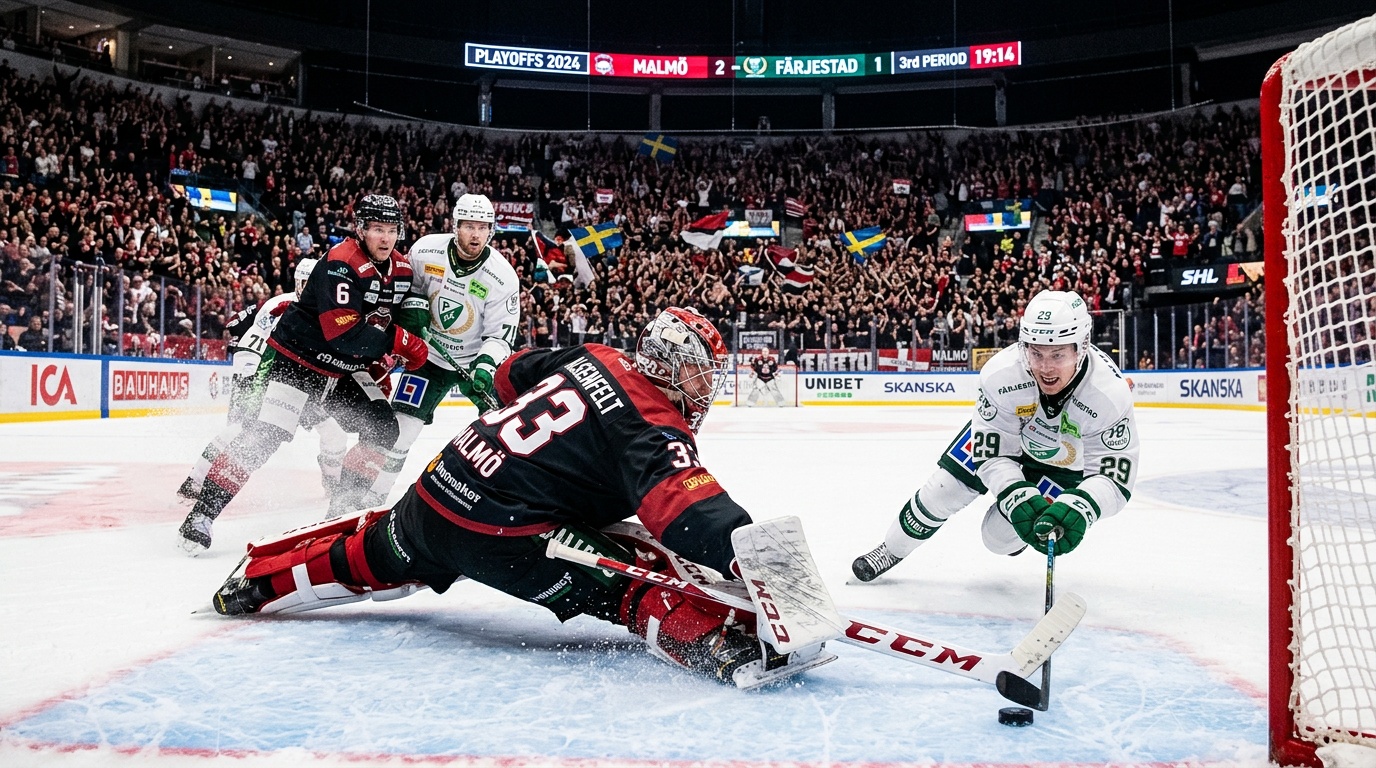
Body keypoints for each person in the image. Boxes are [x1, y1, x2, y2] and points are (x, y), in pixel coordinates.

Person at [209, 307, 822, 688]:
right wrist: (752, 557)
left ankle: (260, 582)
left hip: (439, 484)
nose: (704, 386)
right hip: (505, 532)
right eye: (700, 371)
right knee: (637, 576)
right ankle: (716, 647)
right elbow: (686, 511)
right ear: (671, 366)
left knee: (372, 555)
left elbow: (506, 376)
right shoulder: (651, 418)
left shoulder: (596, 355)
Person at [177, 195, 429, 554]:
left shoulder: (402, 271)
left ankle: (340, 513)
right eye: (376, 229)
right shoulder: (341, 262)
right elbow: (341, 331)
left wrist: (410, 334)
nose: (385, 238)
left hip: (344, 369)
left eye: (391, 230)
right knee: (263, 436)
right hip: (299, 362)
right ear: (360, 230)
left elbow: (403, 311)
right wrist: (399, 341)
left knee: (383, 428)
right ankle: (202, 513)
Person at [851, 290, 1139, 581]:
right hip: (1008, 438)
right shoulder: (1001, 374)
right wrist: (1013, 493)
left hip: (1063, 465)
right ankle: (890, 549)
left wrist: (1082, 506)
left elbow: (1114, 477)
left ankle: (1015, 535)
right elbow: (993, 453)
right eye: (1036, 352)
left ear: (1082, 346)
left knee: (997, 539)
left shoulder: (1109, 394)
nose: (1045, 368)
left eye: (1058, 354)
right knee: (942, 490)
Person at [329, 193, 521, 516]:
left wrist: (486, 367)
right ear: (455, 225)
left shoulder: (503, 277)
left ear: (492, 231)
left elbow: (500, 336)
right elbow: (406, 290)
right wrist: (411, 313)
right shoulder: (426, 250)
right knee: (399, 432)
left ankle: (507, 505)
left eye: (483, 227)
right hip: (427, 359)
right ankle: (368, 498)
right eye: (469, 226)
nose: (476, 235)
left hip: (475, 364)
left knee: (504, 435)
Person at [176, 258, 351, 503]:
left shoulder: (321, 308)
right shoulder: (283, 304)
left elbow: (236, 323)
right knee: (240, 429)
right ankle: (194, 480)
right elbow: (242, 332)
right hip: (257, 371)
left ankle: (333, 485)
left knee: (334, 433)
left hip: (296, 381)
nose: (307, 287)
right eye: (303, 282)